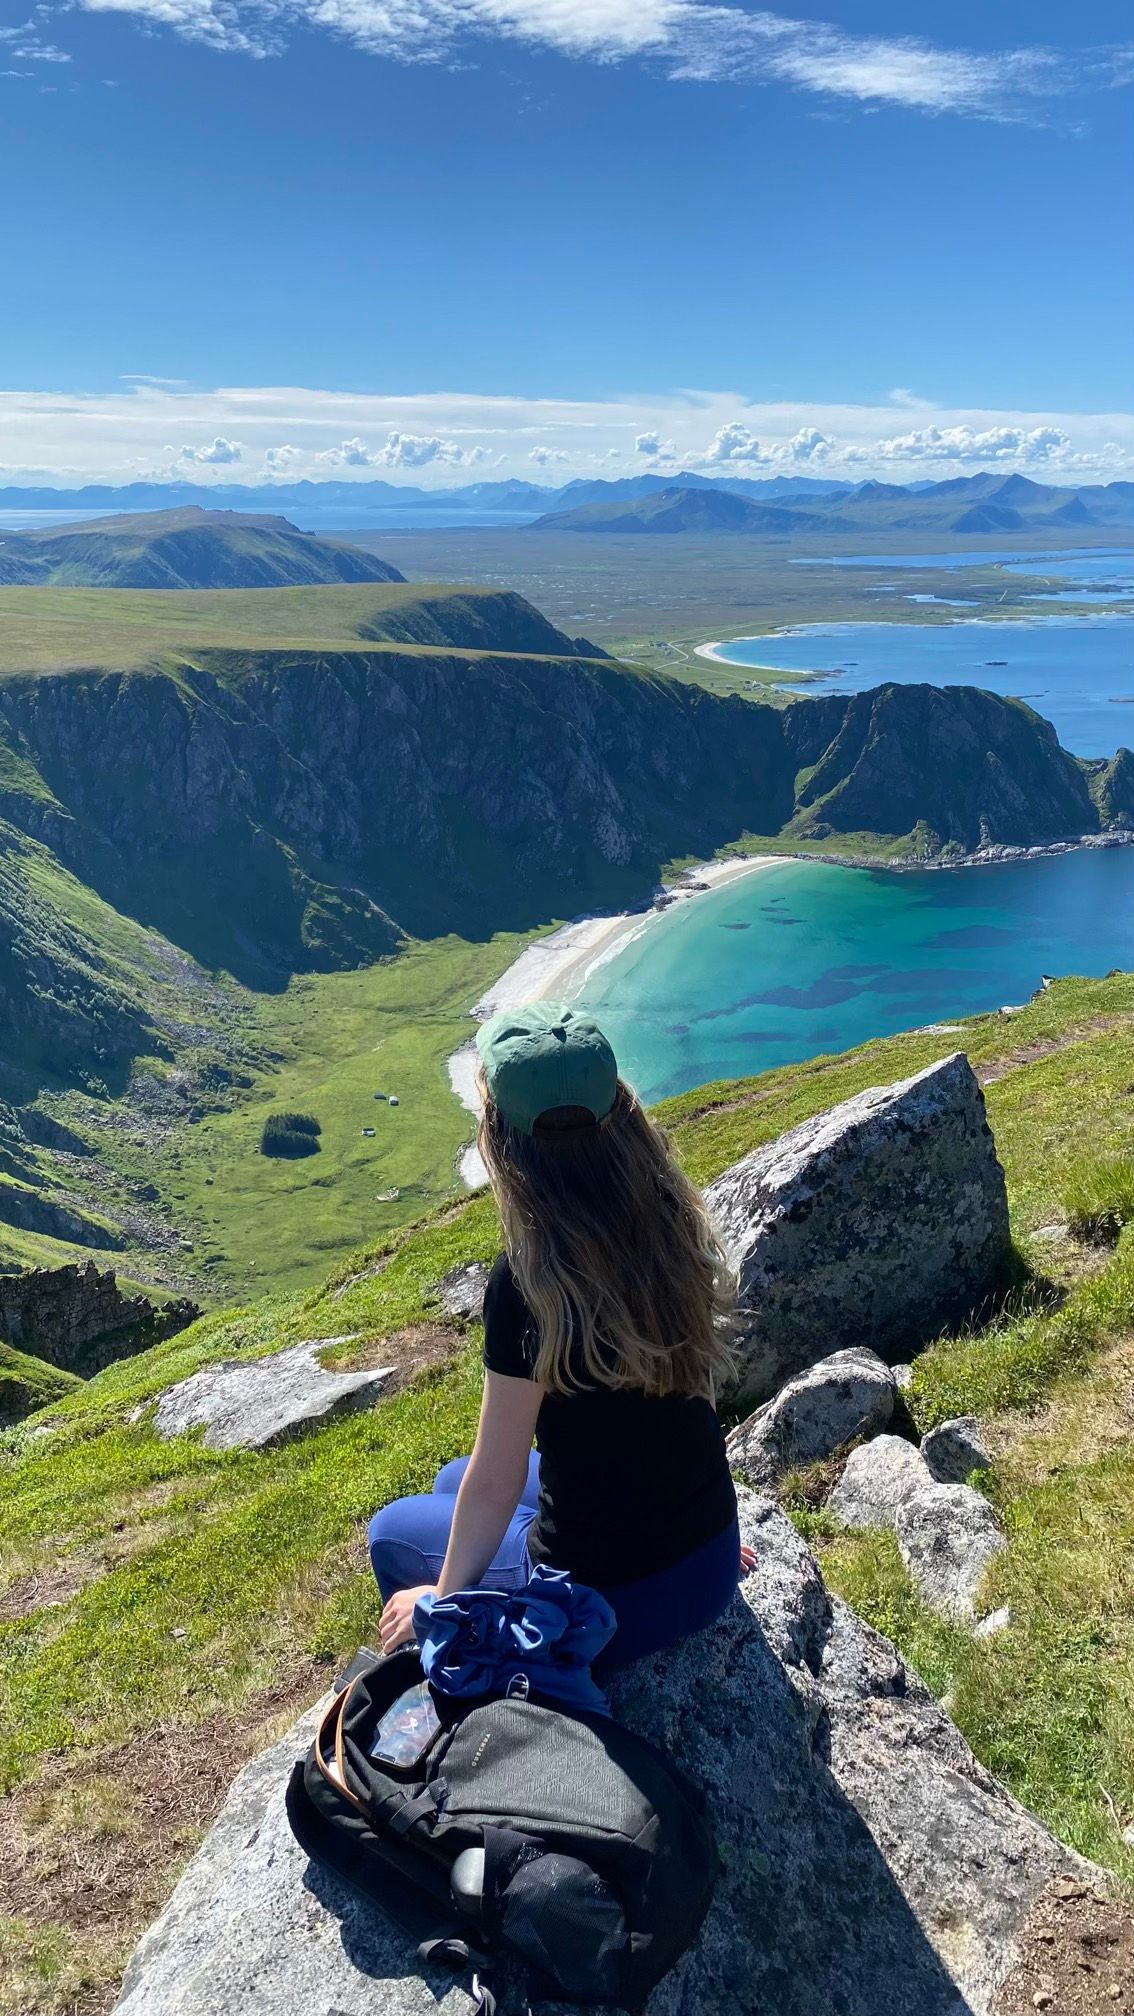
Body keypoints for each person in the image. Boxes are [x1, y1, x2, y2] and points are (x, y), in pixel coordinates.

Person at [369, 1001, 752, 1674]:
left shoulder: (530, 1282)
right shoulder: (674, 1222)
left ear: (503, 1137)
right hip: (711, 1561)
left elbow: (498, 1476)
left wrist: (441, 1600)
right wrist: (703, 1538)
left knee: (395, 1533)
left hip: (610, 1604)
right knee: (447, 1480)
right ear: (620, 1111)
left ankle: (460, 1670)